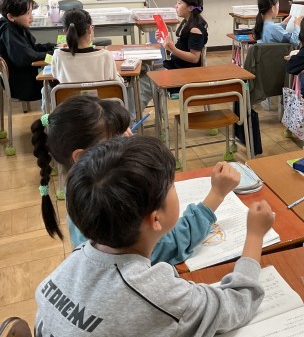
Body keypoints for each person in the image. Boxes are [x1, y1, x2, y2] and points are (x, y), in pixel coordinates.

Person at [35, 135, 273, 336]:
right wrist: (255, 235)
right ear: (155, 219)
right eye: (172, 185)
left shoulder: (73, 260)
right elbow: (238, 303)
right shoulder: (159, 294)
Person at [31, 95, 238, 265]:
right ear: (82, 156)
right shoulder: (112, 200)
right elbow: (166, 247)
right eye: (117, 139)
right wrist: (216, 195)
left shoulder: (83, 189)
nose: (128, 139)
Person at [139, 0, 209, 108]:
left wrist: (173, 49)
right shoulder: (187, 23)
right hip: (177, 68)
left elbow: (194, 58)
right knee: (144, 73)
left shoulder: (195, 29)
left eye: (179, 3)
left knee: (144, 82)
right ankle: (133, 114)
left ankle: (131, 116)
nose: (176, 6)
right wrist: (164, 42)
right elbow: (179, 50)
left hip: (184, 74)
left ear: (190, 8)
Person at [0, 0, 55, 101]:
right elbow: (27, 56)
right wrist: (53, 55)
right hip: (22, 85)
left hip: (25, 77)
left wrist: (53, 47)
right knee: (58, 81)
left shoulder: (16, 26)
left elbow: (31, 48)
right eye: (27, 13)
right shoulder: (9, 31)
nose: (31, 17)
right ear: (11, 16)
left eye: (31, 12)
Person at [50, 8, 120, 83]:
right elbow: (117, 84)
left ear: (65, 31)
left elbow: (55, 76)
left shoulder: (58, 55)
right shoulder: (105, 56)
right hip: (100, 91)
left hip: (70, 91)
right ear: (89, 29)